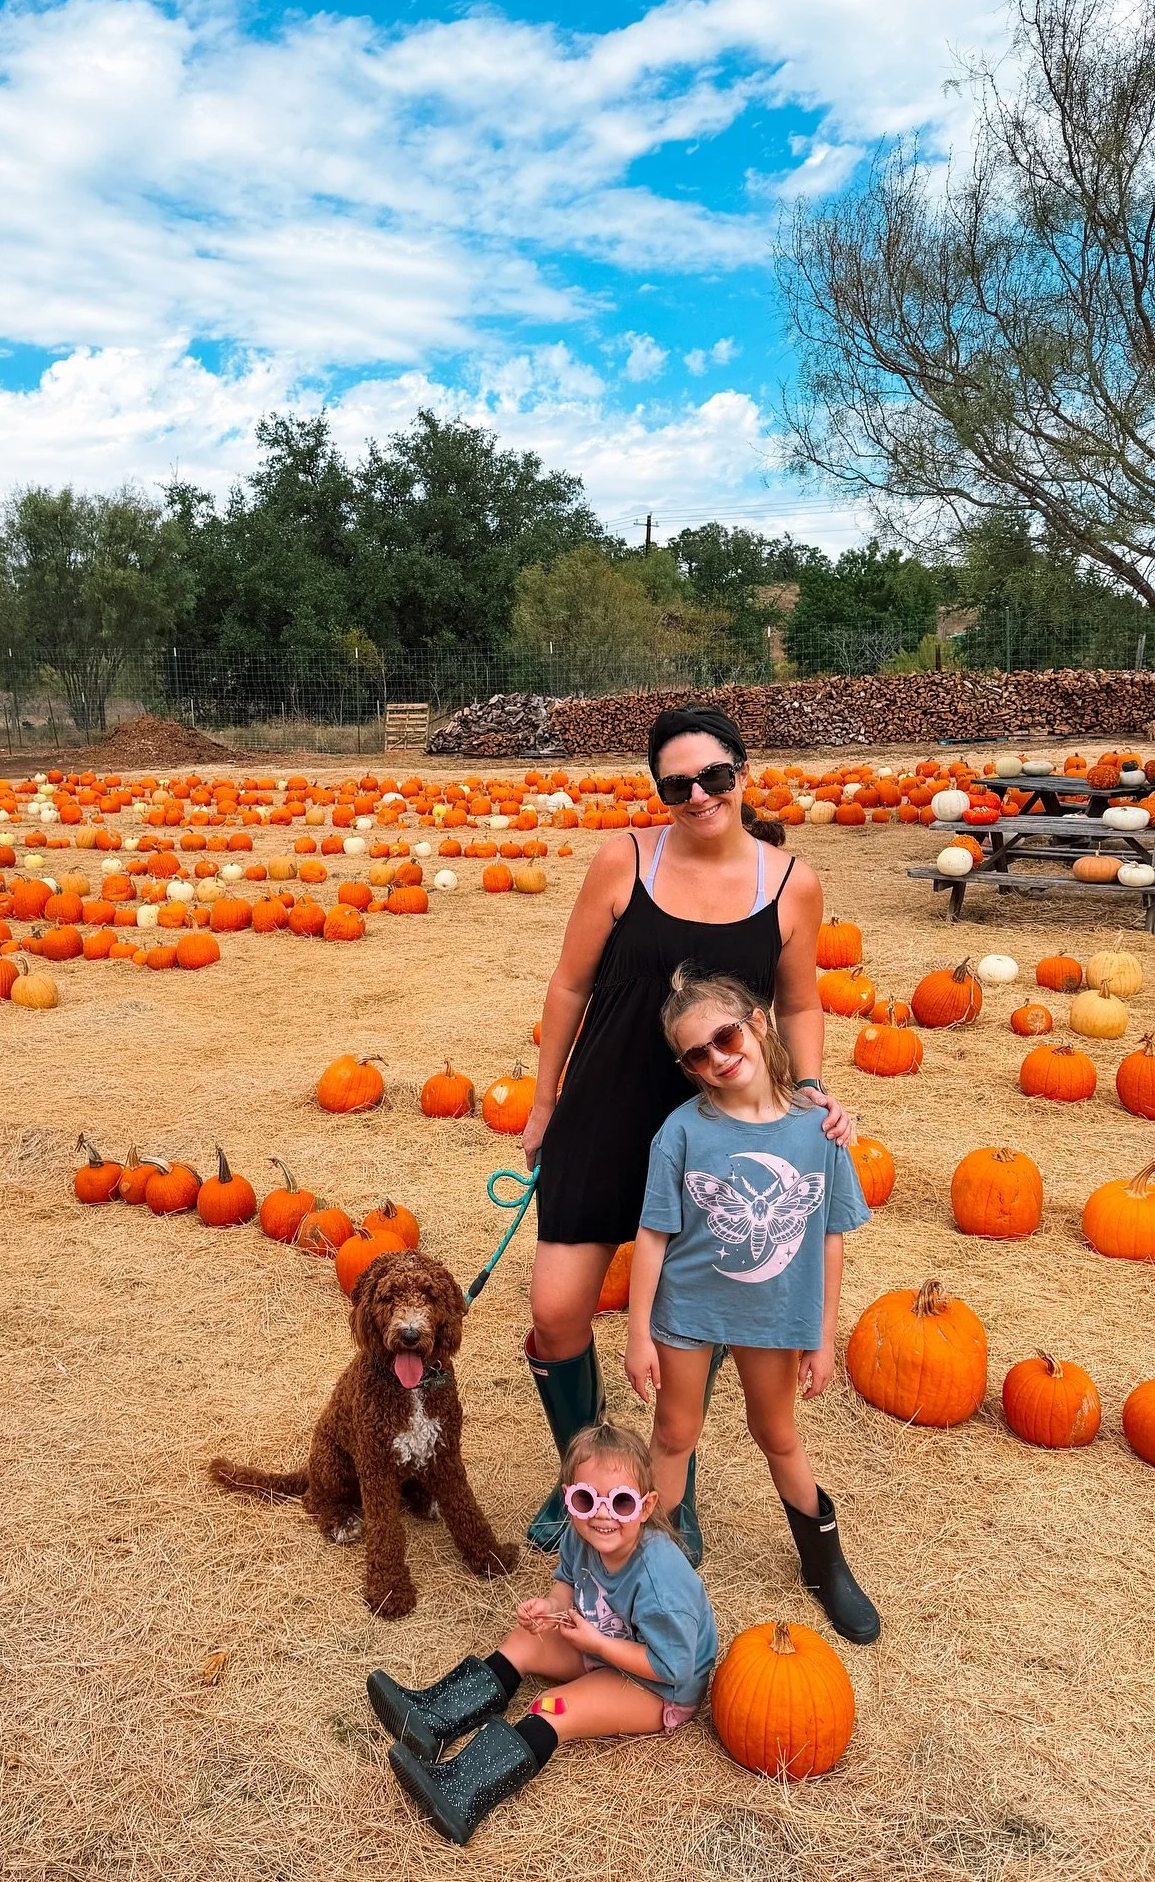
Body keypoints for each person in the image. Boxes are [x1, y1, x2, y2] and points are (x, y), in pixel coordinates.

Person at [522, 704, 848, 1560]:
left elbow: (802, 1002)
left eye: (714, 776)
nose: (698, 795)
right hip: (603, 1114)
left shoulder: (789, 883)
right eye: (677, 784)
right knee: (556, 1314)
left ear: (744, 773)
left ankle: (672, 1487)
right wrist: (546, 1100)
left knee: (684, 1325)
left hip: (717, 1135)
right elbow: (568, 986)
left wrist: (809, 1089)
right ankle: (586, 1472)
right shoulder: (624, 859)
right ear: (661, 792)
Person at [625, 966, 879, 1643]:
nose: (716, 1057)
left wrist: (822, 1337)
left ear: (758, 1022)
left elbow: (829, 1241)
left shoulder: (817, 1131)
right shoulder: (681, 1132)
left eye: (724, 1036)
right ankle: (654, 1569)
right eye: (696, 1054)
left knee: (779, 1435)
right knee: (674, 1436)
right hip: (688, 1309)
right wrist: (639, 1332)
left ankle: (826, 1566)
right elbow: (653, 1237)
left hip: (774, 1317)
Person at [367, 1422, 716, 1847]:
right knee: (523, 1639)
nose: (602, 1514)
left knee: (553, 1706)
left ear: (645, 1507)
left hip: (657, 1686)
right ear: (568, 1500)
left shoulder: (661, 1583)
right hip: (602, 1644)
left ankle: (460, 1791)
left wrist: (596, 1644)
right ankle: (430, 1720)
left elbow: (672, 1667)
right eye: (586, 1499)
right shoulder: (580, 1534)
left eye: (620, 1502)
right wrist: (551, 1607)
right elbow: (567, 1582)